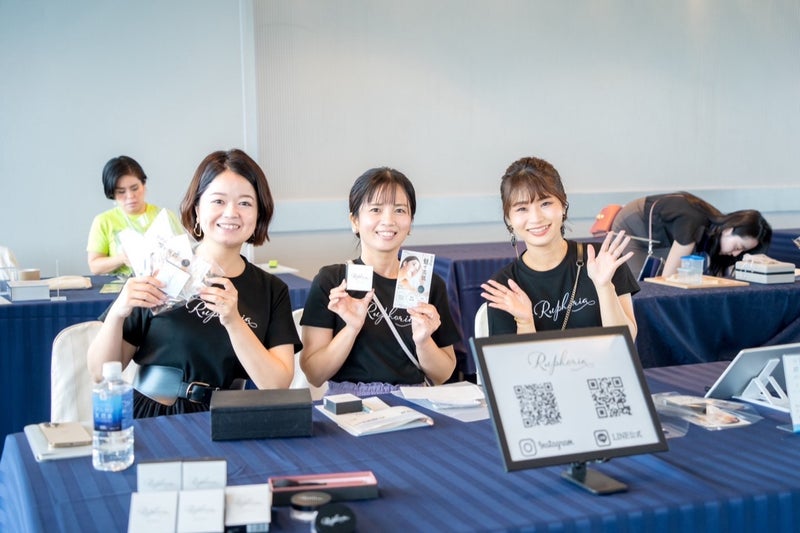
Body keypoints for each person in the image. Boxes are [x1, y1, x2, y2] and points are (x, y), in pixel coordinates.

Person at [87, 149, 300, 418]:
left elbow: (277, 384)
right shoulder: (158, 270)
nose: (231, 212)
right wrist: (119, 311)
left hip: (230, 420)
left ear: (259, 213)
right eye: (218, 201)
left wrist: (234, 321)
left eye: (245, 203)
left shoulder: (271, 290)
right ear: (197, 209)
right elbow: (100, 372)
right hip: (155, 417)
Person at [300, 167, 460, 396]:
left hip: (413, 402)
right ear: (355, 221)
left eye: (399, 210)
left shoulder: (427, 284)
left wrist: (424, 341)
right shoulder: (333, 281)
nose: (388, 220)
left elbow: (442, 374)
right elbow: (314, 374)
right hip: (351, 403)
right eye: (375, 209)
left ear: (410, 222)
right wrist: (351, 328)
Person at [481, 156, 639, 339]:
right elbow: (512, 358)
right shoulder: (504, 286)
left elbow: (626, 341)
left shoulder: (602, 259)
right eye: (522, 209)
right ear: (509, 219)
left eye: (545, 203)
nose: (536, 218)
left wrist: (604, 287)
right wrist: (525, 322)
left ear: (563, 206)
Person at [611, 192, 772, 278]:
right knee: (641, 287)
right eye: (737, 247)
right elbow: (667, 278)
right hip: (633, 226)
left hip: (661, 235)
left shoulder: (715, 230)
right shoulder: (693, 223)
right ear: (729, 229)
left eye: (742, 251)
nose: (736, 254)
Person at [86, 155, 180, 276]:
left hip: (164, 283)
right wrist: (122, 258)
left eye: (135, 188)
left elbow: (184, 254)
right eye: (121, 192)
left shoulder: (164, 216)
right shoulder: (104, 221)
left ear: (143, 185)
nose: (130, 196)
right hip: (124, 286)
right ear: (112, 194)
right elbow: (94, 266)